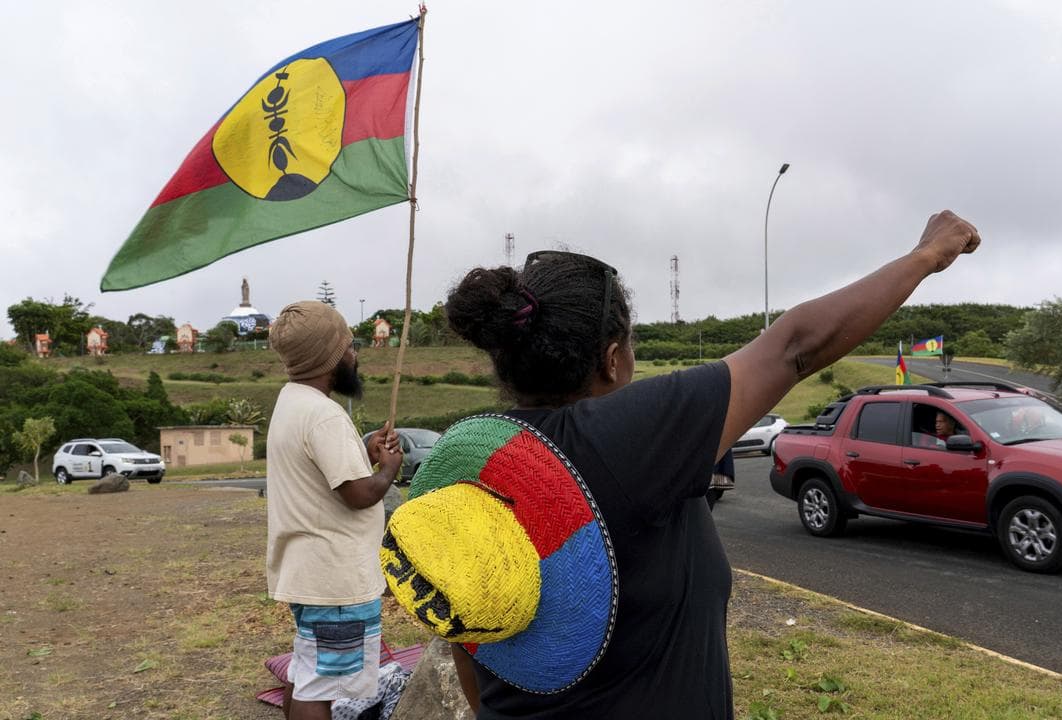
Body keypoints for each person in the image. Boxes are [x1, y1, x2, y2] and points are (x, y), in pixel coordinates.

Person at [435, 210, 979, 718]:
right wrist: (927, 254)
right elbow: (795, 346)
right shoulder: (620, 439)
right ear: (612, 359)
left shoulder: (465, 461)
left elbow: (465, 639)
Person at [265, 300, 404, 720]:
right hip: (335, 580)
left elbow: (323, 476)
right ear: (329, 357)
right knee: (319, 686)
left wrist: (362, 451)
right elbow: (360, 494)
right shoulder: (325, 415)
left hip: (309, 571)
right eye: (348, 346)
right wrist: (389, 470)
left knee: (308, 671)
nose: (354, 355)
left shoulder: (292, 401)